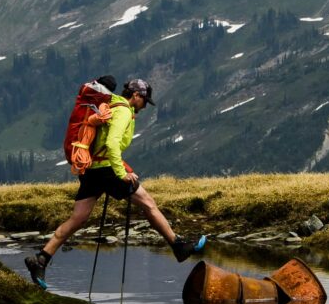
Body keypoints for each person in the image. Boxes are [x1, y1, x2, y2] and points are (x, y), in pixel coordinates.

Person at [25, 77, 204, 286]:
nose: (145, 106)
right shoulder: (123, 111)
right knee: (148, 203)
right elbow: (111, 144)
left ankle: (41, 259)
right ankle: (178, 246)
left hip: (92, 170)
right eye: (144, 101)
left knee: (78, 218)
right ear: (135, 96)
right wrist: (122, 173)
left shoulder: (110, 106)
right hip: (107, 171)